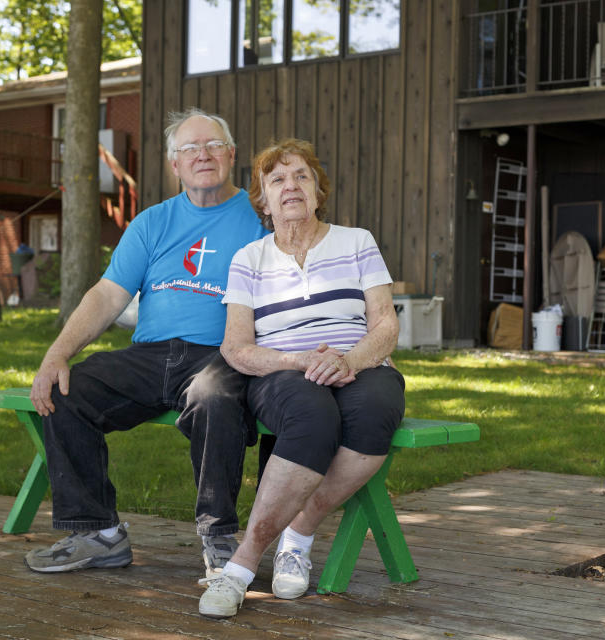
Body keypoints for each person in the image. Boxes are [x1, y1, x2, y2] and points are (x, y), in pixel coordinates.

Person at [24, 108, 267, 578]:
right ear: (174, 165)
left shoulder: (260, 219)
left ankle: (219, 537)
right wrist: (57, 354)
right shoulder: (152, 223)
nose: (203, 155)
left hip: (219, 355)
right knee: (62, 392)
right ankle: (99, 534)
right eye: (190, 149)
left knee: (214, 398)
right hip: (150, 354)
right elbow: (107, 296)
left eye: (214, 146)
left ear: (232, 155)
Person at [198, 138, 405, 618]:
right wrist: (298, 361)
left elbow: (386, 325)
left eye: (301, 176)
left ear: (317, 191)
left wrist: (349, 361)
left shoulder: (357, 241)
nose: (290, 186)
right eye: (277, 180)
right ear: (263, 202)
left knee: (375, 411)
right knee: (312, 414)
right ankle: (242, 567)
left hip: (359, 360)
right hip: (283, 369)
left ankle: (300, 532)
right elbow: (236, 347)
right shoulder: (249, 259)